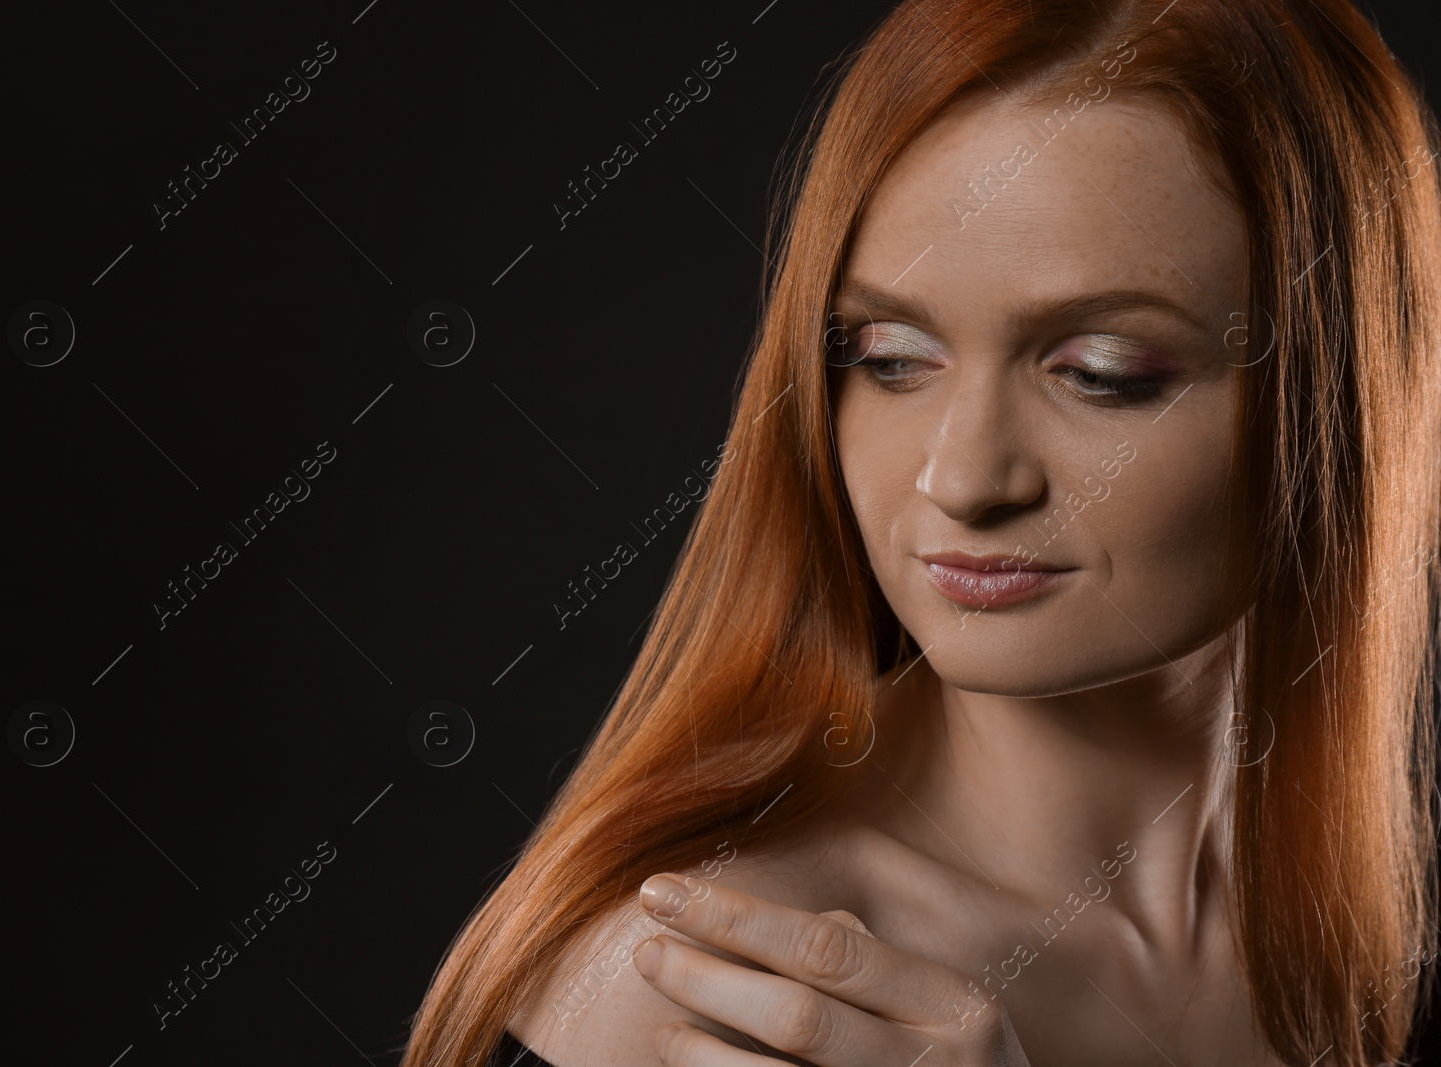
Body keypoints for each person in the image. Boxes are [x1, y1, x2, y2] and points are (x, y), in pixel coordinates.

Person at [403, 0, 1441, 1064]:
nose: (960, 477)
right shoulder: (716, 984)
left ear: (1348, 392)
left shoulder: (1394, 946)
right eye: (890, 355)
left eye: (1099, 374)